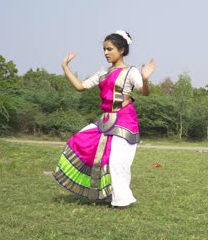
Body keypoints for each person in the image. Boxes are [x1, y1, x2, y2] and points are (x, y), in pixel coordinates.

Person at [53, 30, 155, 208]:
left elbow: (144, 92)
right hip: (105, 120)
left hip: (125, 121)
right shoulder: (102, 72)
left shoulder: (131, 72)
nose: (106, 53)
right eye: (104, 49)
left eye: (110, 49)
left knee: (117, 161)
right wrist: (65, 67)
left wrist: (145, 79)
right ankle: (104, 193)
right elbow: (80, 86)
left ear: (121, 50)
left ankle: (122, 201)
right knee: (81, 142)